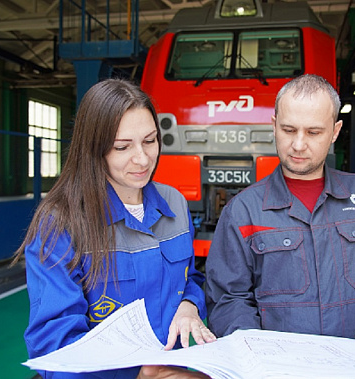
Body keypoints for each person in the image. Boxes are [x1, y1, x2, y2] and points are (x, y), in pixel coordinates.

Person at [205, 74, 355, 349]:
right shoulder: (243, 212)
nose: (299, 144)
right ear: (274, 125)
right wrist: (254, 348)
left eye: (313, 132)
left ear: (335, 131)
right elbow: (228, 298)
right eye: (288, 130)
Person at [14, 79, 215, 379]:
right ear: (93, 149)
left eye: (150, 141)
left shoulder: (174, 202)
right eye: (122, 147)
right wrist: (141, 376)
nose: (143, 158)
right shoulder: (61, 223)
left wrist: (189, 305)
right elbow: (55, 349)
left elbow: (190, 277)